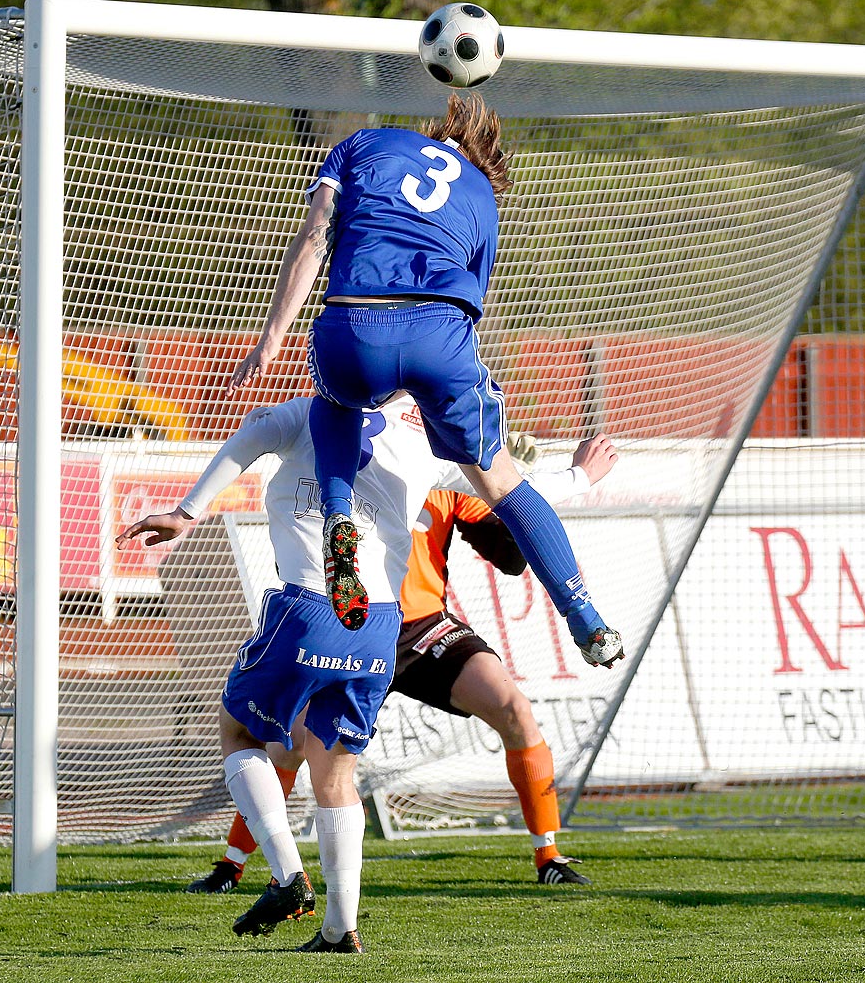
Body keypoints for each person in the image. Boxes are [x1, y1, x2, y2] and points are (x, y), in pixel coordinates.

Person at [116, 393, 612, 952]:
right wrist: (576, 475)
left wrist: (186, 512)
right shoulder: (430, 442)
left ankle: (286, 877)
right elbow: (518, 495)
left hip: (321, 609)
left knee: (244, 733)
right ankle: (337, 926)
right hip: (378, 625)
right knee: (333, 770)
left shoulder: (305, 412)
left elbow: (247, 440)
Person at [225, 93, 622, 674]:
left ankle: (338, 522)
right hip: (439, 337)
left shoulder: (362, 144)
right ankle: (584, 616)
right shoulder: (481, 195)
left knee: (335, 402)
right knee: (502, 483)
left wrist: (272, 336)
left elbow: (315, 237)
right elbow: (471, 305)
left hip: (354, 326)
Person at [186, 481, 610, 896]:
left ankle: (549, 857)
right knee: (290, 744)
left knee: (513, 708)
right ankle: (231, 864)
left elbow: (510, 559)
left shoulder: (446, 477)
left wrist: (519, 491)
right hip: (353, 629)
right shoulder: (342, 467)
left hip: (425, 630)